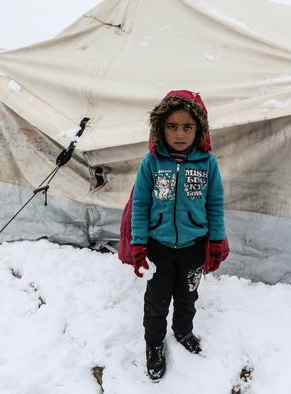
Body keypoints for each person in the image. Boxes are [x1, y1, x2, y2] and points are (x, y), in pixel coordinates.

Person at [121, 90, 228, 382]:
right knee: (156, 301)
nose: (180, 134)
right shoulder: (151, 163)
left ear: (199, 129)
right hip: (159, 249)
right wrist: (139, 245)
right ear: (160, 128)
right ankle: (154, 343)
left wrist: (216, 242)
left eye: (187, 127)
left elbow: (215, 204)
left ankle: (183, 330)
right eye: (172, 126)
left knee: (187, 296)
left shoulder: (208, 164)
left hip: (193, 247)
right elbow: (140, 206)